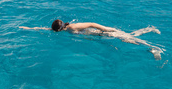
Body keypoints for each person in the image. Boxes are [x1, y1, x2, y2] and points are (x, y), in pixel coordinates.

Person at [20, 20, 163, 60]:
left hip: (103, 33)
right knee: (128, 36)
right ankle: (149, 29)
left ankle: (153, 48)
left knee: (127, 38)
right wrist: (29, 28)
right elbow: (45, 29)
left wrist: (106, 29)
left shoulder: (73, 27)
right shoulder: (64, 29)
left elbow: (92, 24)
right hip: (99, 36)